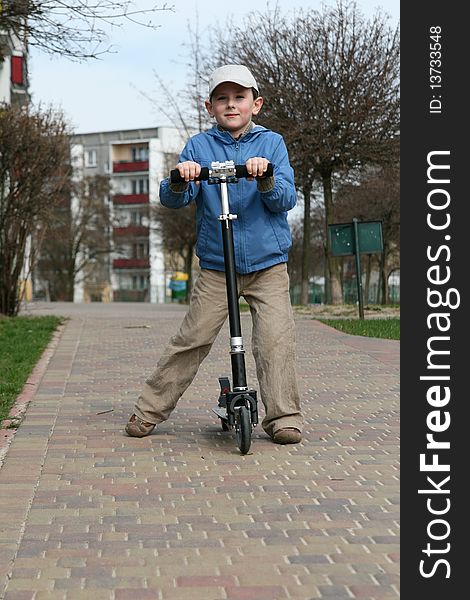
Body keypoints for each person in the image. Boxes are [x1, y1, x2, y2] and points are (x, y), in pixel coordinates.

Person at [125, 64, 302, 444]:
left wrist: (266, 176)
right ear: (210, 107)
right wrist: (180, 177)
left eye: (239, 98)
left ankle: (283, 417)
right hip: (217, 267)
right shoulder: (199, 147)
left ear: (256, 104)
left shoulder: (272, 144)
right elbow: (173, 199)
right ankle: (148, 410)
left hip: (267, 264)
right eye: (222, 98)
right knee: (192, 339)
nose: (231, 105)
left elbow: (285, 198)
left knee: (275, 340)